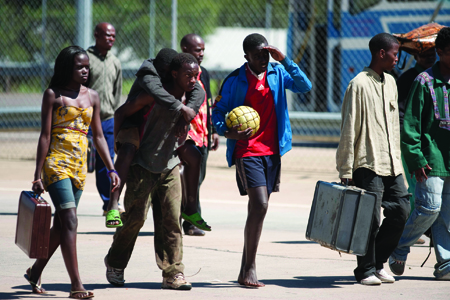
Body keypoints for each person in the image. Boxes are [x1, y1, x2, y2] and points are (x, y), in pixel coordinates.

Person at [212, 33, 312, 287]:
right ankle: (250, 267)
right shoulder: (235, 80)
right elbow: (218, 113)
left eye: (265, 54)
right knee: (260, 204)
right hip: (247, 151)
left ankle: (244, 270)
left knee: (257, 209)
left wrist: (286, 60)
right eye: (257, 55)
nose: (263, 59)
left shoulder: (278, 73)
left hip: (272, 151)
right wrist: (227, 131)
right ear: (246, 56)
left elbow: (305, 86)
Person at [25, 46, 120, 299]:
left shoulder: (93, 96)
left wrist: (111, 168)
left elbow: (99, 136)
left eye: (87, 66)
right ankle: (76, 285)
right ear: (68, 68)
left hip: (79, 166)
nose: (85, 70)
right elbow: (45, 136)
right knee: (71, 220)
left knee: (62, 224)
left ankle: (35, 272)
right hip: (56, 163)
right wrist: (37, 175)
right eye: (80, 66)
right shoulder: (53, 95)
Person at [104, 53, 204, 290]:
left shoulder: (190, 94)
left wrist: (187, 110)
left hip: (169, 164)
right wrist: (114, 148)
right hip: (142, 164)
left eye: (195, 75)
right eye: (188, 75)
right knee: (135, 218)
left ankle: (173, 272)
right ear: (173, 74)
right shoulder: (151, 94)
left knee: (171, 220)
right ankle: (115, 261)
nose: (193, 80)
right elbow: (121, 113)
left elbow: (198, 94)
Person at [336, 33, 411, 285]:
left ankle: (378, 262)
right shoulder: (358, 84)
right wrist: (346, 168)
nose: (397, 58)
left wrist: (399, 161)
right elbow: (348, 127)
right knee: (369, 218)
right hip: (367, 162)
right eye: (395, 54)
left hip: (391, 163)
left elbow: (394, 125)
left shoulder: (391, 82)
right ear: (381, 53)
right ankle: (365, 270)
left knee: (402, 211)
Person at [389, 27, 450, 281]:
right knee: (429, 207)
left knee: (445, 214)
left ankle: (445, 262)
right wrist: (415, 157)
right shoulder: (423, 81)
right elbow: (411, 124)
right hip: (430, 158)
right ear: (440, 53)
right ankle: (398, 246)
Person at [179, 33, 219, 236]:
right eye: (197, 50)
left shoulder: (205, 73)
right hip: (186, 136)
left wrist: (213, 131)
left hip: (202, 134)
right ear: (185, 50)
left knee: (197, 179)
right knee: (183, 180)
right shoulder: (177, 73)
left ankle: (188, 217)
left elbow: (208, 102)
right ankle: (185, 222)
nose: (201, 53)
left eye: (203, 49)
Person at [396, 48, 436, 245]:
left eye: (432, 54)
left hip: (433, 142)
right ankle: (415, 227)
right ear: (417, 57)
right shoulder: (411, 78)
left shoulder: (439, 76)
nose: (430, 58)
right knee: (416, 184)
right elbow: (402, 113)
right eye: (425, 55)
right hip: (413, 140)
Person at [86, 22, 123, 215]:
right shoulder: (86, 59)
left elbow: (117, 92)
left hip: (107, 120)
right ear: (96, 35)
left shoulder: (115, 61)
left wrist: (116, 115)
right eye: (107, 35)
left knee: (106, 162)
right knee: (80, 160)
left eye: (113, 36)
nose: (110, 39)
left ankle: (109, 202)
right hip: (86, 121)